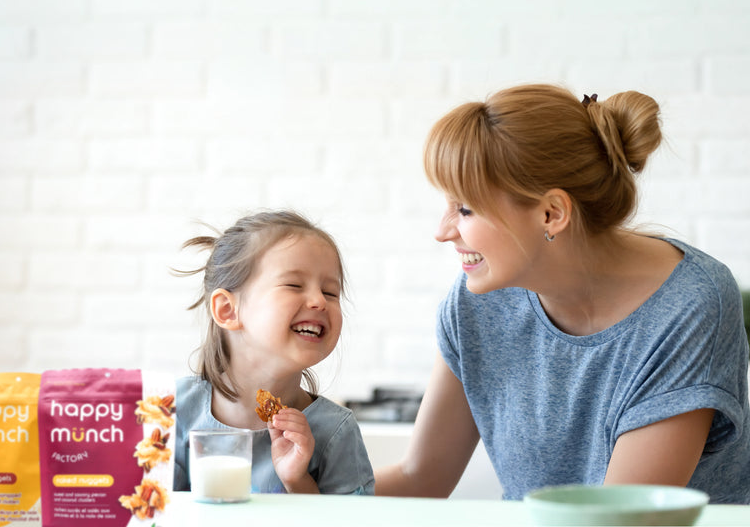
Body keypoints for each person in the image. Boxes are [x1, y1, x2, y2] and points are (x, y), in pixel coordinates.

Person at [375, 84, 750, 503]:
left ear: (551, 213)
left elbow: (622, 516)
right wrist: (297, 488)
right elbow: (420, 478)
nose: (443, 232)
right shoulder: (477, 302)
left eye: (465, 209)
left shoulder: (691, 305)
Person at [173, 210, 375, 495]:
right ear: (228, 310)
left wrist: (297, 480)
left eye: (331, 292)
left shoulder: (335, 432)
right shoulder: (172, 412)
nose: (319, 301)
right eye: (294, 285)